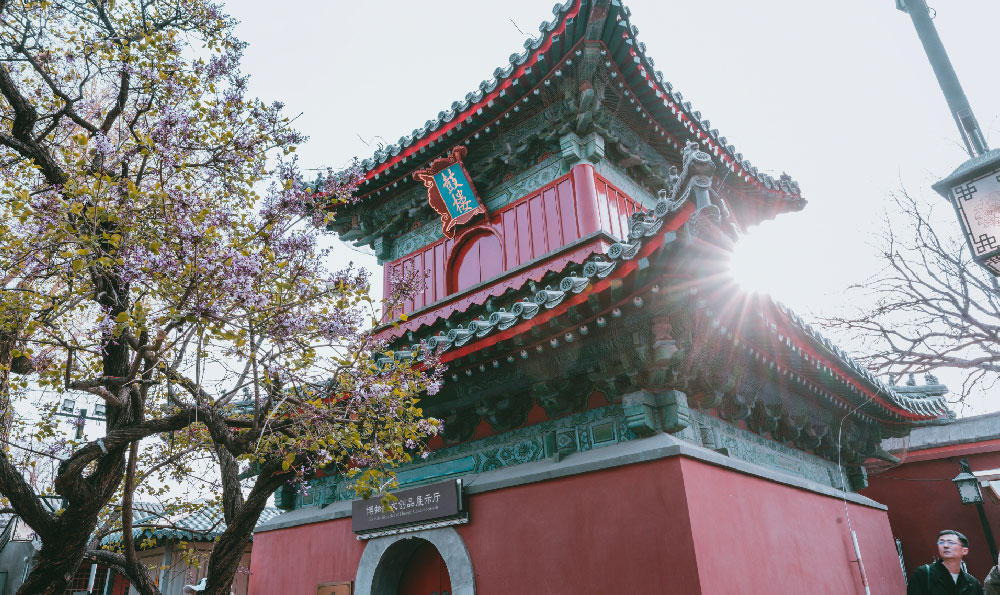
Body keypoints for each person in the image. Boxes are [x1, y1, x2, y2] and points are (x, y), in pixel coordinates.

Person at [908, 530, 984, 595]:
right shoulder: (924, 574)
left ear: (964, 551)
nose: (945, 546)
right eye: (941, 542)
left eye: (951, 542)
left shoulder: (973, 584)